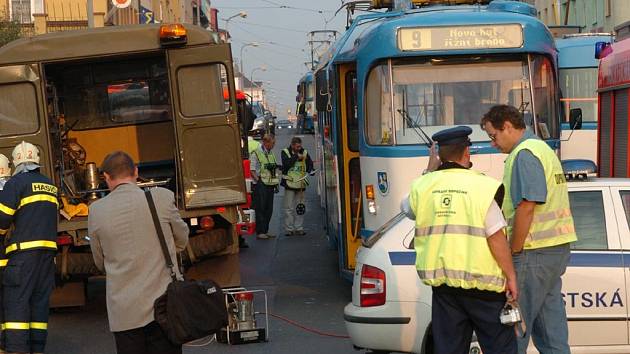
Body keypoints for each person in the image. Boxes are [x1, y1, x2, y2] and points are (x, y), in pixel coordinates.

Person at [406, 126, 518, 354]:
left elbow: (407, 209)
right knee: (501, 349)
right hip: (484, 292)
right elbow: (496, 238)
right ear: (467, 153)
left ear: (439, 155)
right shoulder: (483, 187)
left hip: (445, 291)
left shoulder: (423, 187)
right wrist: (511, 277)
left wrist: (430, 170)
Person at [481, 105, 576, 354]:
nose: (493, 143)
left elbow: (526, 207)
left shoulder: (524, 154)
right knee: (552, 336)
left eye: (494, 136)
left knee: (514, 333)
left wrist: (514, 250)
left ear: (509, 127)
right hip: (553, 251)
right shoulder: (542, 149)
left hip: (532, 252)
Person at [88, 151, 189, 354]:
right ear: (136, 171)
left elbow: (99, 261)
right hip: (163, 308)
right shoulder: (161, 198)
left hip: (125, 314)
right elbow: (182, 239)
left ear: (106, 177)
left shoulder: (96, 210)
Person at [0, 142, 58, 354]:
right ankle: (37, 349)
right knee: (39, 305)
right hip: (47, 257)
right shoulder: (50, 185)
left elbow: (2, 218)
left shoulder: (16, 184)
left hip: (23, 257)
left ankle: (16, 350)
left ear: (16, 162)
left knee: (16, 304)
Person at [281, 137, 314, 236]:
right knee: (289, 208)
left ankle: (299, 227)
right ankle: (289, 229)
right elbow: (286, 165)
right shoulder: (285, 152)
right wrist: (296, 157)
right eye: (297, 146)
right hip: (290, 184)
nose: (299, 148)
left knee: (300, 208)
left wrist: (311, 171)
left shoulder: (304, 152)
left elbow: (309, 164)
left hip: (301, 185)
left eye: (300, 146)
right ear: (292, 145)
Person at [250, 134, 280, 239]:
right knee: (261, 208)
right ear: (266, 142)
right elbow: (252, 170)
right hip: (261, 184)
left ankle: (265, 230)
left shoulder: (271, 153)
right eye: (273, 143)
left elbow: (273, 169)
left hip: (270, 184)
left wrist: (276, 183)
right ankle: (260, 232)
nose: (274, 145)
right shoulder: (256, 153)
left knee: (269, 209)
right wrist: (258, 181)